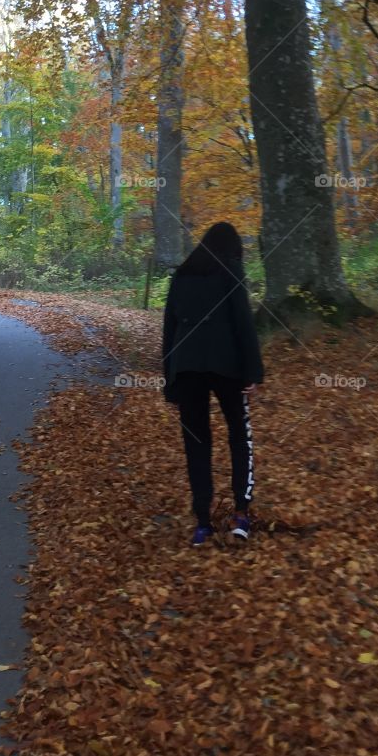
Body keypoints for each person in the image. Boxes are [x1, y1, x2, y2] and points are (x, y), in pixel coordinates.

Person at [162, 221, 265, 546]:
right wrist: (253, 373)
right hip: (227, 367)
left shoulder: (182, 276)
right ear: (232, 247)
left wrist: (170, 381)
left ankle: (203, 523)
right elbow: (243, 323)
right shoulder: (231, 271)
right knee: (239, 436)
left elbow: (170, 331)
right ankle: (241, 514)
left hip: (187, 368)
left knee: (197, 443)